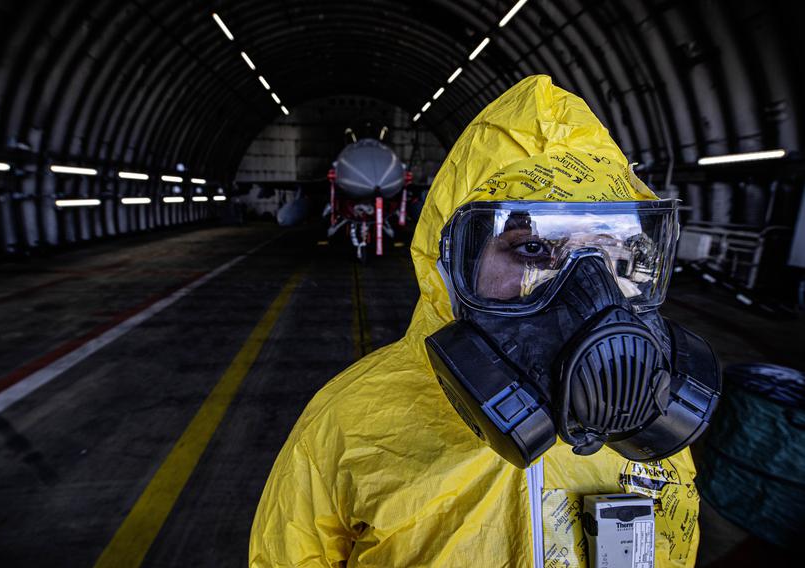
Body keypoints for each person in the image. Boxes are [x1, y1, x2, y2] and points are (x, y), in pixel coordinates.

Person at [250, 75, 712, 567]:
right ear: (452, 261)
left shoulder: (647, 433)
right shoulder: (345, 426)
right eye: (532, 248)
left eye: (608, 250)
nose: (589, 291)